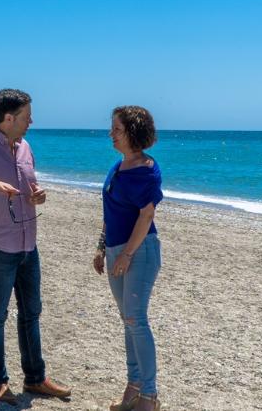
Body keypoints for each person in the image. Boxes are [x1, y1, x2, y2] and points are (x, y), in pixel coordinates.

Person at [0, 89, 70, 405]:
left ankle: (35, 379)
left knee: (31, 312)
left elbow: (30, 185)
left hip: (27, 244)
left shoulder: (24, 147)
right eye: (25, 116)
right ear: (9, 118)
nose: (31, 121)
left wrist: (38, 195)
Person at [92, 106, 164, 411]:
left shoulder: (147, 169)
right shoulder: (118, 166)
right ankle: (133, 388)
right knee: (128, 322)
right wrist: (102, 246)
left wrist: (125, 255)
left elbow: (146, 216)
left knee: (137, 319)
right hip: (115, 250)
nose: (111, 133)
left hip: (140, 251)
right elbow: (112, 212)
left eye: (117, 129)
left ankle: (149, 395)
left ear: (132, 132)